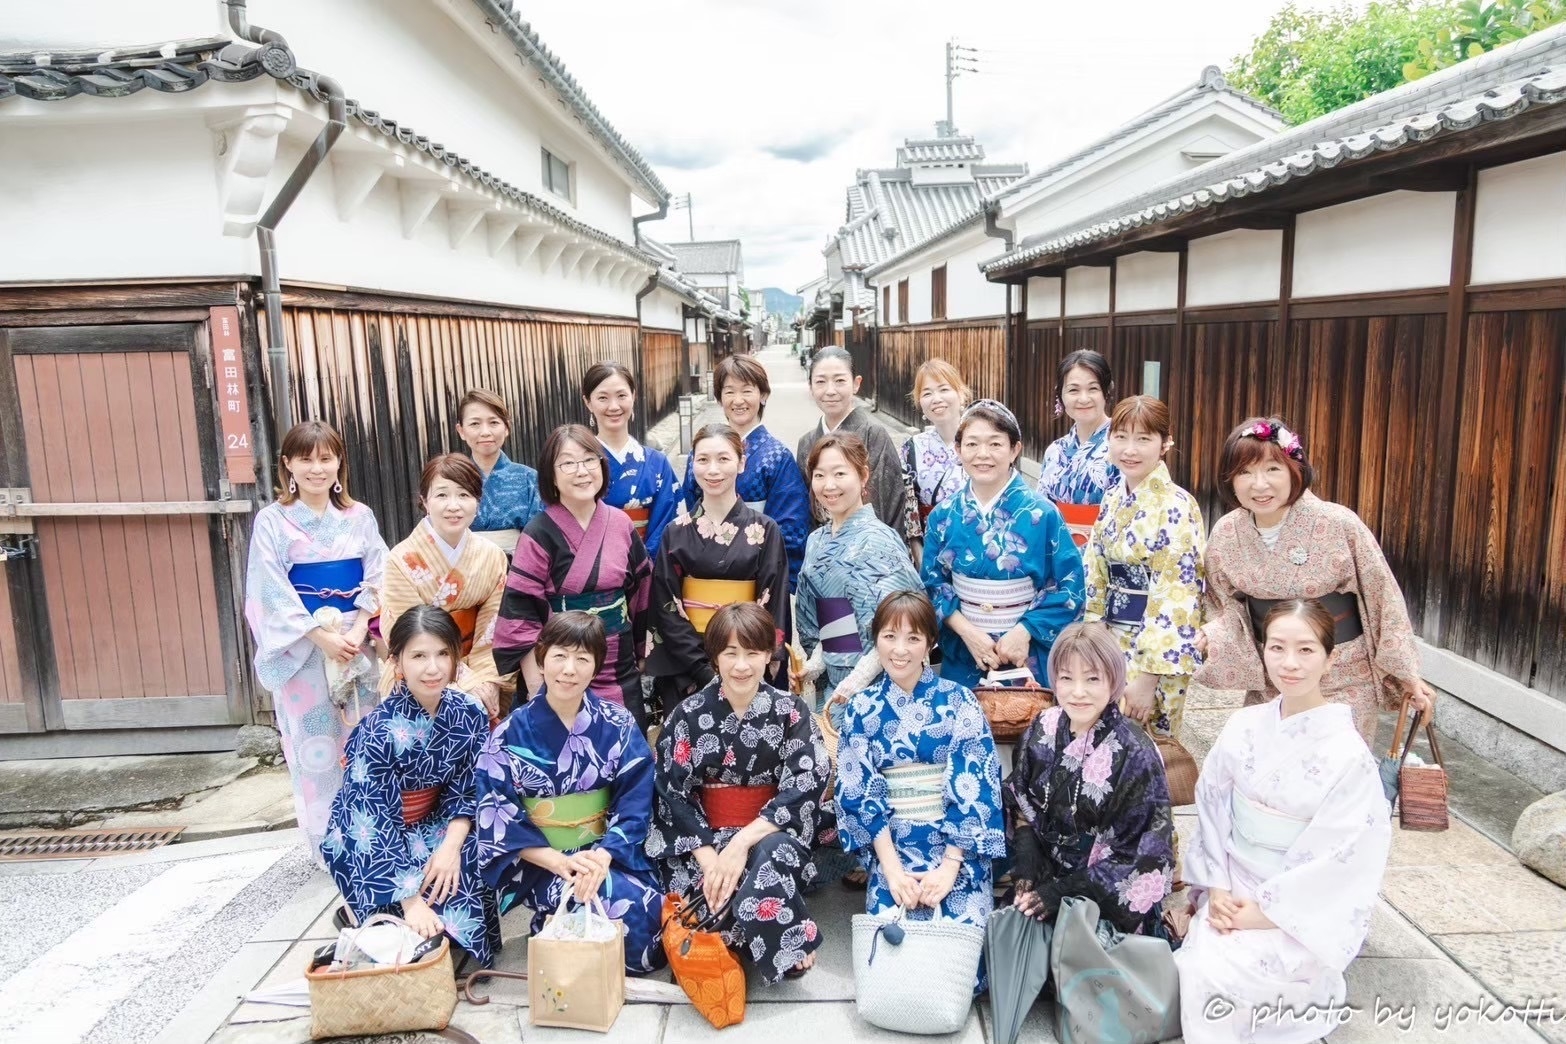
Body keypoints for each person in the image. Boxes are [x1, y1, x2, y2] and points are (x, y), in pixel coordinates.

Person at [1175, 600, 1393, 1043]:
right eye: (1277, 647)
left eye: (1306, 650)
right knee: (1205, 973)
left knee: (1251, 982)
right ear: (1263, 651)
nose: (1289, 663)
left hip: (1295, 905)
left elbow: (1344, 853)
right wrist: (1217, 887)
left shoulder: (1348, 754)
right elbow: (1213, 806)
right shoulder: (1243, 724)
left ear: (1330, 658)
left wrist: (1267, 913)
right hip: (1233, 883)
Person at [1196, 417, 1433, 743]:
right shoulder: (1226, 532)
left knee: (1336, 763)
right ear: (1230, 480)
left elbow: (1383, 597)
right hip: (1274, 676)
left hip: (1341, 674)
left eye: (1272, 469)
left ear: (1295, 469)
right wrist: (1214, 633)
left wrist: (1408, 675)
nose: (1259, 485)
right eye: (1245, 472)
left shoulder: (1337, 523)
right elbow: (1223, 605)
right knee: (1268, 763)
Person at [648, 602, 833, 984]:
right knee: (714, 883)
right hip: (704, 840)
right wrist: (712, 862)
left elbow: (805, 783)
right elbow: (672, 794)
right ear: (715, 656)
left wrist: (741, 843)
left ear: (768, 655)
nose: (741, 665)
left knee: (772, 855)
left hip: (767, 833)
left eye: (752, 652)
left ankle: (733, 934)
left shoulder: (791, 711)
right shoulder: (687, 714)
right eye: (730, 653)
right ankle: (781, 935)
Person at [474, 612, 665, 974]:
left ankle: (560, 935)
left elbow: (636, 798)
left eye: (582, 658)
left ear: (596, 666)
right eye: (559, 656)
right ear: (542, 658)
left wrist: (604, 855)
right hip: (543, 861)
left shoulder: (617, 723)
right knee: (612, 905)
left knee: (652, 915)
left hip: (609, 852)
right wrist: (559, 862)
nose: (569, 669)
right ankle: (557, 928)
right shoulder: (509, 734)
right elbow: (496, 815)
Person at [835, 591, 1005, 990]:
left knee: (964, 961)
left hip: (955, 845)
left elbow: (976, 782)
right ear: (875, 640)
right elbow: (858, 791)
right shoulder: (861, 708)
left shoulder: (960, 701)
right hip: (893, 843)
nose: (900, 650)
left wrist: (949, 867)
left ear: (930, 643)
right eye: (889, 636)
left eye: (913, 638)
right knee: (891, 952)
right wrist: (892, 870)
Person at [321, 606, 500, 969]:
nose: (433, 668)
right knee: (409, 910)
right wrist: (411, 902)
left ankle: (443, 936)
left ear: (456, 658)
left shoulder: (469, 712)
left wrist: (450, 848)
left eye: (442, 654)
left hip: (437, 820)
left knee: (469, 850)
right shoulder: (377, 730)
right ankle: (389, 917)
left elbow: (470, 787)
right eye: (419, 656)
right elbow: (370, 818)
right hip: (371, 834)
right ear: (397, 661)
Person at [246, 420, 387, 852]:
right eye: (305, 459)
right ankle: (328, 844)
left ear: (339, 462)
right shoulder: (273, 520)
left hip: (357, 645)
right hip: (303, 648)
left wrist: (361, 625)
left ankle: (372, 837)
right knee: (316, 744)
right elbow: (268, 587)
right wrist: (317, 635)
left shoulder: (359, 516)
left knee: (364, 737)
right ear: (287, 464)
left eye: (326, 458)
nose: (317, 468)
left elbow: (379, 571)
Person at [1004, 621, 1175, 938]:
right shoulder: (1043, 727)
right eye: (1066, 678)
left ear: (1114, 680)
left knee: (1075, 964)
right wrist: (1027, 861)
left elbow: (1144, 855)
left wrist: (1062, 893)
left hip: (1104, 900)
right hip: (1044, 880)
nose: (1078, 692)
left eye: (1092, 678)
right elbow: (1020, 800)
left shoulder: (1135, 752)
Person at [493, 424, 652, 728]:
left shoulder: (620, 524)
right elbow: (521, 612)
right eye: (568, 463)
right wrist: (537, 685)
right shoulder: (538, 533)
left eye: (590, 460)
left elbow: (643, 593)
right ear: (551, 475)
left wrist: (642, 653)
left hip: (616, 668)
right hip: (559, 671)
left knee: (624, 749)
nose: (582, 471)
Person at [922, 400, 1084, 688]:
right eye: (972, 444)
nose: (983, 454)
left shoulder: (1042, 513)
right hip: (965, 648)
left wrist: (1024, 631)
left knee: (1027, 715)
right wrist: (968, 633)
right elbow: (932, 585)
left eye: (995, 444)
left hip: (1026, 650)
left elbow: (1070, 586)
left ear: (1014, 450)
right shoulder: (942, 515)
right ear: (958, 450)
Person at [1082, 395, 1205, 743]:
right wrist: (1094, 633)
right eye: (1120, 437)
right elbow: (1096, 566)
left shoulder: (1177, 505)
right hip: (1109, 641)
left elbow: (1177, 595)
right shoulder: (1113, 496)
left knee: (1146, 749)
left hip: (1156, 649)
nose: (1130, 449)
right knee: (1101, 748)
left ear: (1165, 443)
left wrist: (1148, 678)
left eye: (1143, 439)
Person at [648, 423, 790, 712]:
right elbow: (665, 605)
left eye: (723, 459)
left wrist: (745, 659)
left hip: (746, 662)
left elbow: (773, 602)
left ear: (741, 463)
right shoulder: (675, 532)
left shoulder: (765, 529)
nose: (713, 470)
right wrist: (701, 669)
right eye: (703, 459)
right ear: (692, 465)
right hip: (687, 667)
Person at [795, 434, 923, 721]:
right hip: (834, 682)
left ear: (863, 476)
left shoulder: (880, 540)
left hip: (882, 682)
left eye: (840, 474)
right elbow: (835, 624)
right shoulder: (817, 540)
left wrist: (860, 678)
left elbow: (905, 620)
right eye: (819, 475)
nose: (829, 485)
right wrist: (816, 664)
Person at [379, 454, 508, 722]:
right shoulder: (400, 559)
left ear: (477, 500)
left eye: (464, 495)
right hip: (420, 669)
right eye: (441, 495)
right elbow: (407, 635)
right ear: (425, 501)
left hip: (479, 666)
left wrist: (487, 680)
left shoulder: (492, 556)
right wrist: (467, 682)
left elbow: (493, 626)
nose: (453, 506)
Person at [680, 354, 811, 588]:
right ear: (719, 398)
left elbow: (791, 528)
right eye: (729, 391)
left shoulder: (777, 456)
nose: (738, 400)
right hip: (703, 574)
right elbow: (690, 513)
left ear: (763, 395)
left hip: (757, 576)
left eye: (747, 390)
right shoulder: (701, 451)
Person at [796, 346, 913, 536]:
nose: (830, 391)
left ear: (856, 384)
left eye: (840, 381)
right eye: (820, 382)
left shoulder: (874, 435)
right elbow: (805, 510)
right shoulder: (806, 442)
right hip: (821, 545)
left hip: (869, 545)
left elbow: (889, 506)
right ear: (811, 387)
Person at [583, 361, 680, 557]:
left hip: (647, 566)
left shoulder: (657, 463)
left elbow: (667, 524)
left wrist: (643, 566)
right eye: (602, 398)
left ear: (633, 396)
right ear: (588, 402)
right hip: (590, 566)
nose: (614, 406)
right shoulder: (579, 464)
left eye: (621, 396)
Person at [1036, 349, 1119, 547]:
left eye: (1093, 388)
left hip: (1106, 552)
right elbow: (1041, 511)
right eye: (1073, 390)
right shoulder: (1055, 451)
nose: (1083, 398)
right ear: (1060, 395)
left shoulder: (1122, 447)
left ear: (1106, 391)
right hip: (1058, 551)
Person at [456, 389, 543, 556]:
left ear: (506, 428)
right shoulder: (452, 479)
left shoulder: (529, 478)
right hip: (462, 566)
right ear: (461, 431)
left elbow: (542, 539)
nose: (485, 432)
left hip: (519, 567)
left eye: (494, 422)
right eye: (475, 424)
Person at [901, 358, 970, 555]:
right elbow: (910, 513)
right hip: (932, 550)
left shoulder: (983, 440)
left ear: (960, 394)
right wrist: (921, 560)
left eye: (944, 389)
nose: (936, 399)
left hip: (980, 545)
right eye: (927, 393)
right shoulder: (912, 448)